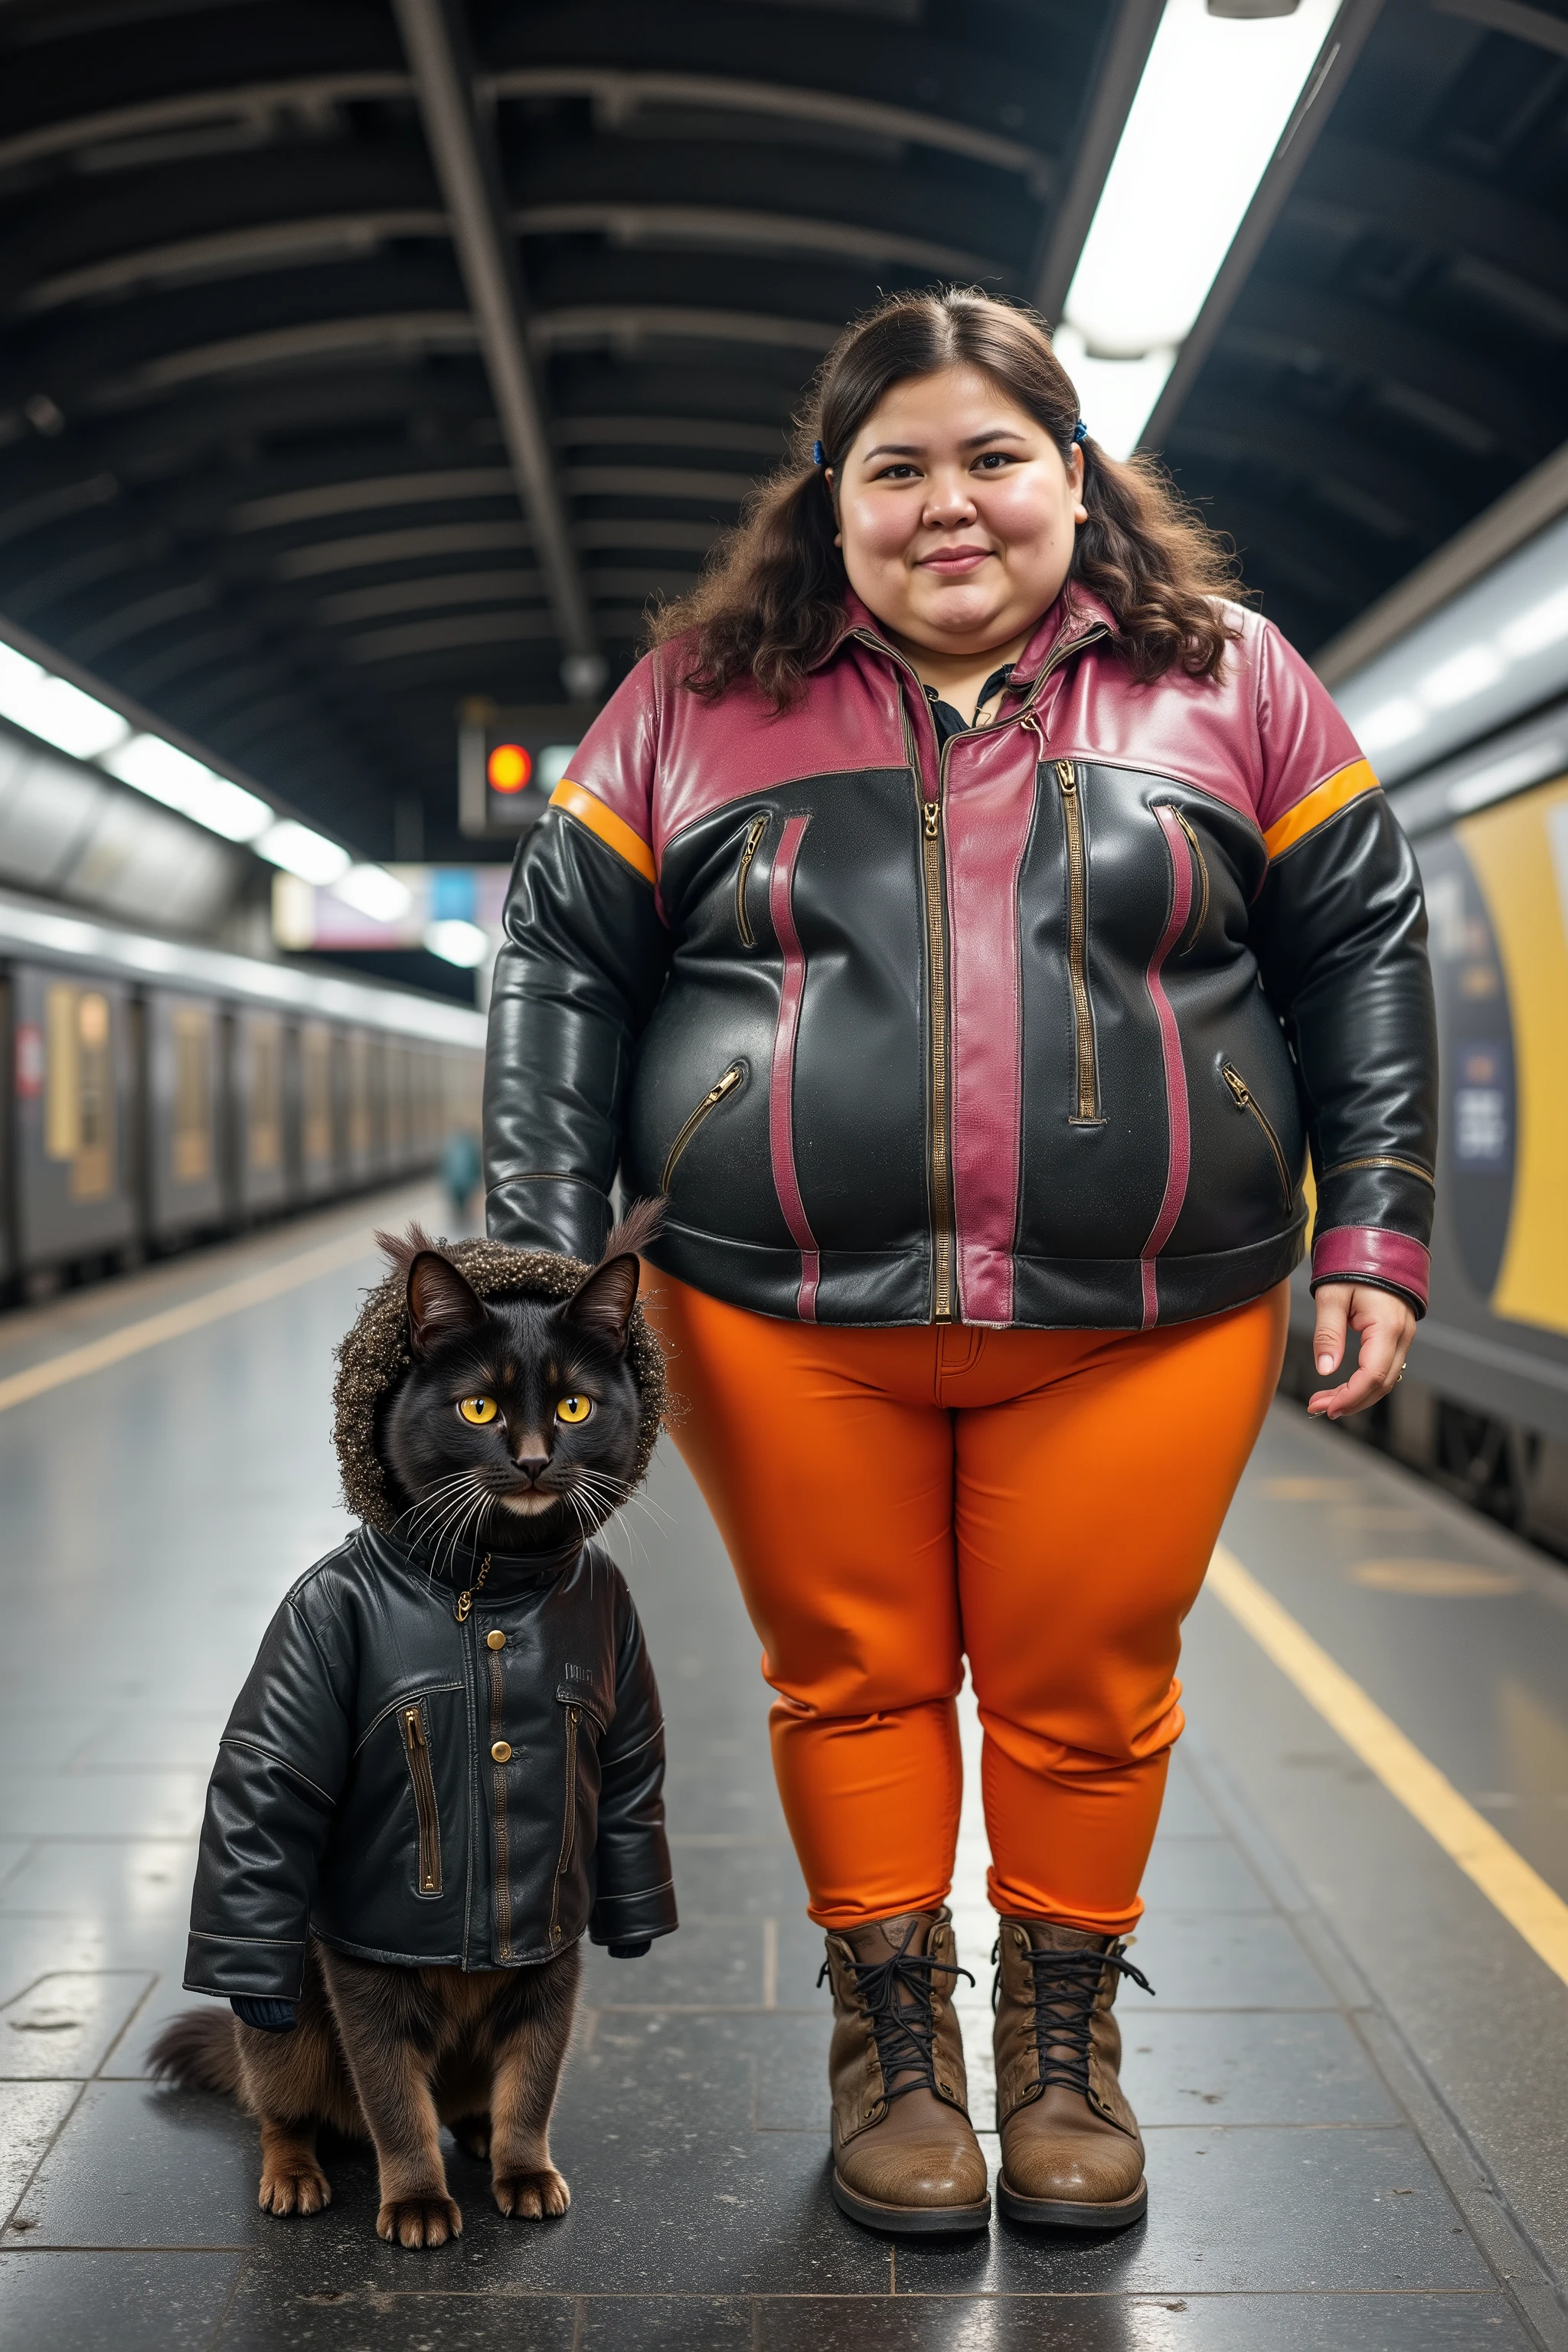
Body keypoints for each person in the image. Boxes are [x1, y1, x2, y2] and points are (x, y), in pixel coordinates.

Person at [482, 289, 1436, 2238]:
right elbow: (561, 966)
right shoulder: (689, 697)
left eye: (993, 458)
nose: (949, 504)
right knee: (853, 1679)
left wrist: (1381, 1220)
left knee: (1088, 1685)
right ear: (827, 503)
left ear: (1072, 482)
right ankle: (895, 2053)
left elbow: (1359, 950)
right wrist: (532, 1254)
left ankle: (1060, 2056)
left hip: (1152, 1310)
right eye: (894, 466)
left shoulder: (1234, 681)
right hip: (770, 1302)